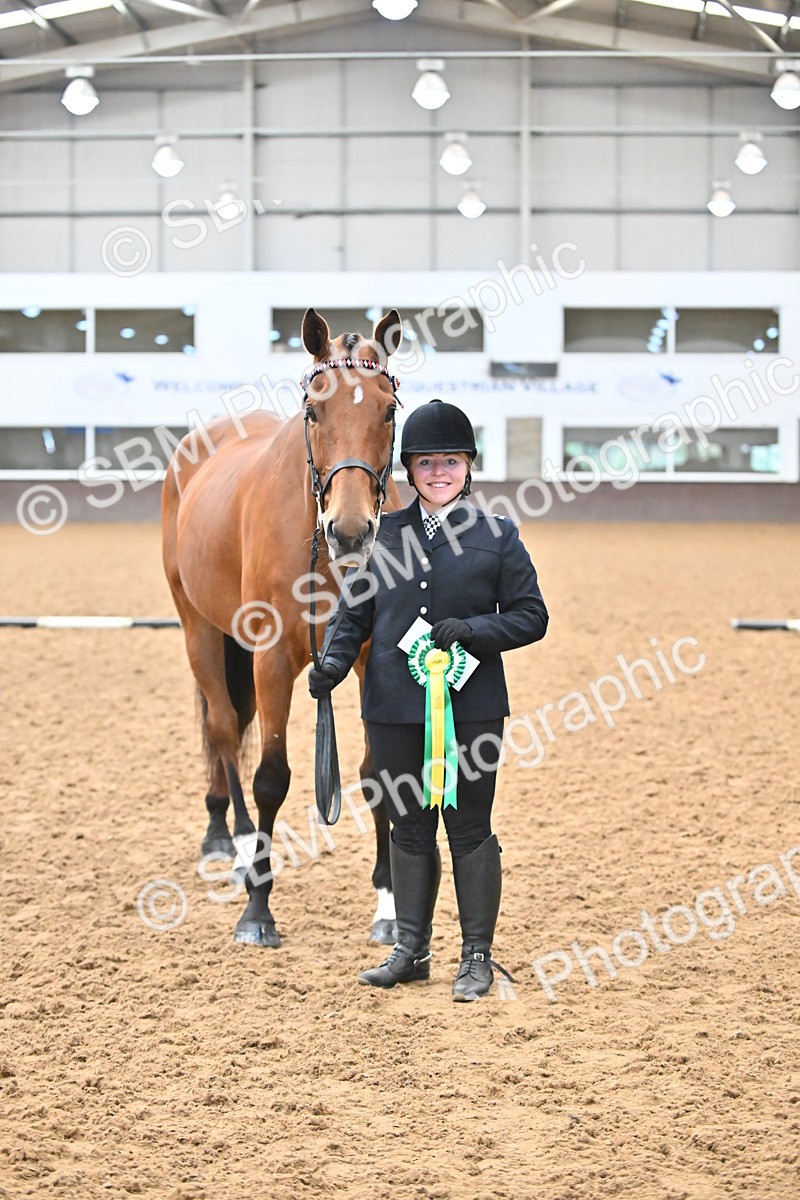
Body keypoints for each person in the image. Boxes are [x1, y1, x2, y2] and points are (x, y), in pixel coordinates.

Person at [308, 399, 548, 1001]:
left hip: (472, 711)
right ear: (407, 470)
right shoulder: (383, 535)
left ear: (467, 466)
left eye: (450, 460)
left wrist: (475, 630)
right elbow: (354, 614)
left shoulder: (498, 536)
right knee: (409, 829)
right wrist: (332, 666)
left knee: (469, 828)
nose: (438, 471)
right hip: (392, 707)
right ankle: (410, 949)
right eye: (425, 462)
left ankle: (476, 956)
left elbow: (532, 617)